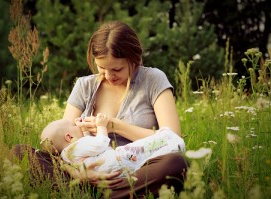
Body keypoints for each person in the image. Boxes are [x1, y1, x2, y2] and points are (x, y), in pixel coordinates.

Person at [13, 20, 188, 198]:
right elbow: (59, 144)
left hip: (135, 172)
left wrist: (115, 126)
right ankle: (89, 190)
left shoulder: (153, 80)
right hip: (84, 173)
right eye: (102, 68)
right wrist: (76, 172)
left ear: (133, 59)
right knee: (19, 153)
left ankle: (95, 194)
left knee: (175, 164)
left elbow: (172, 138)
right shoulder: (85, 85)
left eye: (117, 69)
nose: (109, 76)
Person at [40, 113, 185, 177]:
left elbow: (87, 144)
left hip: (109, 173)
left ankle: (115, 192)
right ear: (69, 137)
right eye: (73, 125)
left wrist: (83, 129)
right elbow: (100, 144)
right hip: (118, 159)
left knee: (145, 157)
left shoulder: (69, 154)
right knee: (143, 149)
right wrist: (102, 126)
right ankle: (168, 140)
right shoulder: (76, 146)